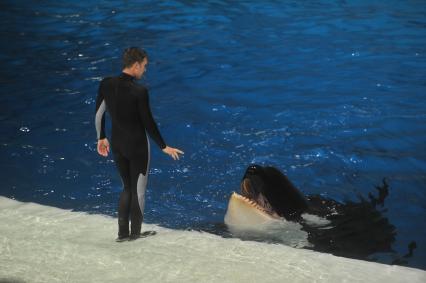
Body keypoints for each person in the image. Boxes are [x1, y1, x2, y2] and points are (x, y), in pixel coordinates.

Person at [94, 47, 184, 242]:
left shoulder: (106, 84)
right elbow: (148, 122)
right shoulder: (139, 91)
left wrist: (101, 137)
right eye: (144, 66)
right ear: (135, 66)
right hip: (137, 146)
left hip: (117, 144)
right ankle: (135, 235)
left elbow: (99, 114)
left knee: (127, 188)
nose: (144, 70)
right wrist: (164, 146)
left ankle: (121, 234)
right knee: (139, 191)